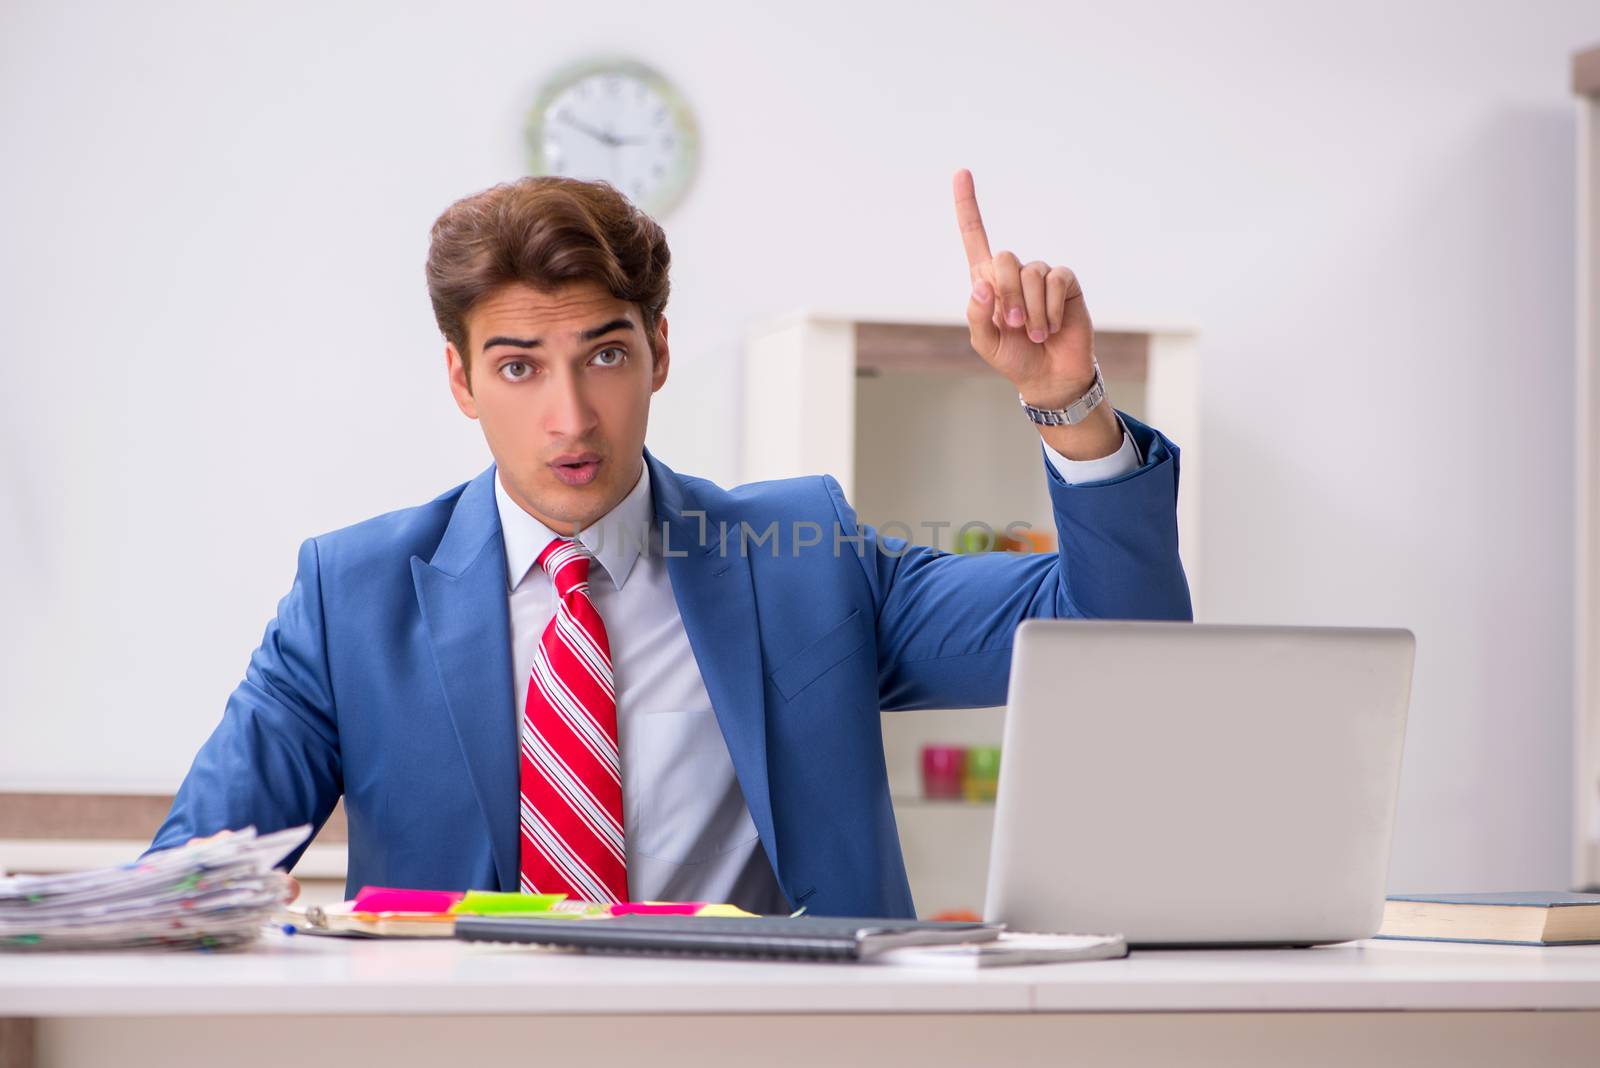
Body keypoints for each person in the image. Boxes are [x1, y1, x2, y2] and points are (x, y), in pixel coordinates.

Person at [148, 170, 1191, 917]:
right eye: (518, 368)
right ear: (461, 381)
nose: (570, 417)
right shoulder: (353, 595)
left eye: (603, 355)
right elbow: (185, 874)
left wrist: (1071, 407)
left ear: (655, 353)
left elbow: (1117, 639)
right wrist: (224, 912)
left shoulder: (799, 555)